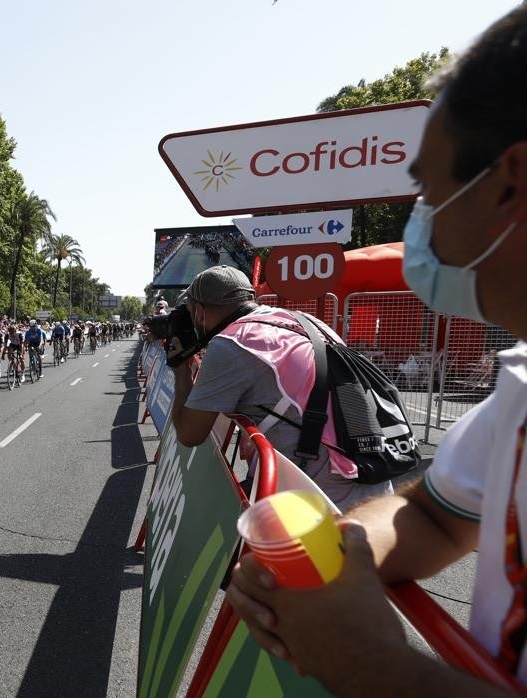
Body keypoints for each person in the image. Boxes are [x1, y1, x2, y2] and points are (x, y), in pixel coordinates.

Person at [228, 10, 527, 693]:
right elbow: (428, 514)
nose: (421, 221)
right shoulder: (517, 388)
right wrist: (330, 554)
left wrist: (373, 667)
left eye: (426, 191)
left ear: (510, 182)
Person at [166, 265, 390, 510]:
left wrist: (180, 370)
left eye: (189, 311)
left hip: (324, 500)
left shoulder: (231, 343)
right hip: (372, 475)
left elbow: (190, 433)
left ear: (199, 311)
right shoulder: (304, 321)